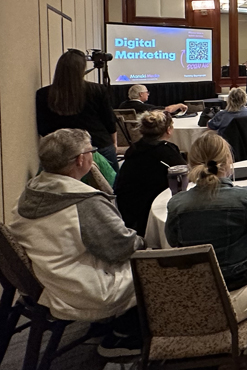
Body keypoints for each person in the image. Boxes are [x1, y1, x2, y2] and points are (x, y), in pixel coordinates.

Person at [7, 129, 145, 356]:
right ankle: (123, 336)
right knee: (154, 267)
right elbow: (122, 248)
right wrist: (144, 240)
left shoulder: (31, 190)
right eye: (91, 151)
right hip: (82, 289)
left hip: (48, 277)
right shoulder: (84, 203)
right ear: (81, 159)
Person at [166, 133, 247, 323]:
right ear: (228, 162)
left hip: (194, 291)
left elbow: (172, 241)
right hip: (238, 287)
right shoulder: (243, 197)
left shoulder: (176, 203)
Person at [36, 49, 119, 170]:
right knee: (111, 186)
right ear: (81, 69)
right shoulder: (97, 90)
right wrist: (114, 143)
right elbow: (109, 121)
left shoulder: (43, 94)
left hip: (61, 152)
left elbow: (43, 129)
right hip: (98, 145)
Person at [114, 110, 186, 235]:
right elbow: (184, 176)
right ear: (168, 130)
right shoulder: (168, 152)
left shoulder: (133, 149)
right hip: (150, 211)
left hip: (127, 210)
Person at [118, 85, 188, 115]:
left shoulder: (122, 106)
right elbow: (167, 110)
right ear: (141, 94)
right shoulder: (143, 107)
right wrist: (179, 105)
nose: (148, 94)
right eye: (147, 92)